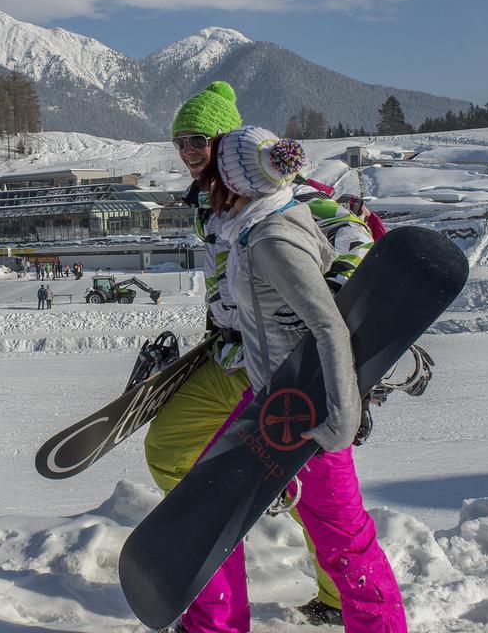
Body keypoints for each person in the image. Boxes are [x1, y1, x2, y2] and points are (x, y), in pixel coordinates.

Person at [182, 125, 406, 632]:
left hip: (307, 413)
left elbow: (327, 326)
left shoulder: (270, 240)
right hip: (273, 399)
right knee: (208, 502)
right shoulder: (266, 216)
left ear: (233, 179)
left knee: (345, 543)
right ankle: (214, 623)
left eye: (214, 168)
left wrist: (341, 419)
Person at [144, 83, 345, 629]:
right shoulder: (205, 202)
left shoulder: (289, 190)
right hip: (230, 357)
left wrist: (337, 310)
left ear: (226, 138)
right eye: (178, 141)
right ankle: (218, 587)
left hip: (289, 365)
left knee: (309, 486)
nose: (186, 151)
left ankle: (337, 595)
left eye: (196, 140)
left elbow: (349, 233)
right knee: (169, 448)